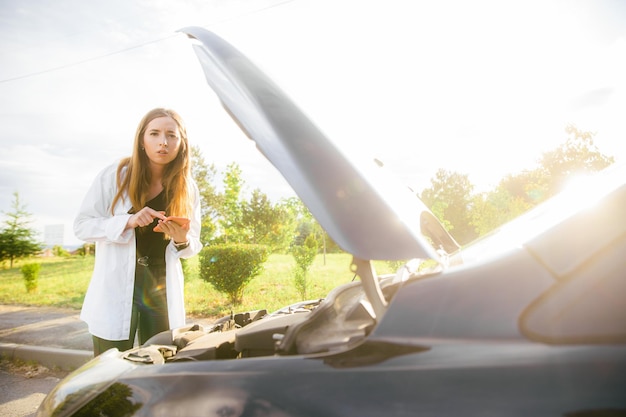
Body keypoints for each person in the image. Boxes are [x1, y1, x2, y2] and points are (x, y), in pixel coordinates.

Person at [74, 108, 202, 356]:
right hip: (117, 287)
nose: (163, 142)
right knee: (108, 369)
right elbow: (82, 226)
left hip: (160, 290)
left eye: (171, 135)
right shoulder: (116, 175)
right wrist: (127, 221)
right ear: (142, 140)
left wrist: (180, 239)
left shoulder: (187, 187)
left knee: (160, 363)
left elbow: (192, 244)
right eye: (154, 133)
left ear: (181, 142)